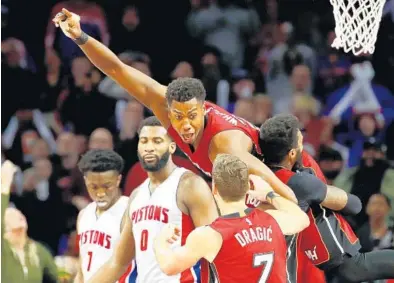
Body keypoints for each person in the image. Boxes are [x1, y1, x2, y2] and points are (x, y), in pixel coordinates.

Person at [52, 8, 300, 204]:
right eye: (177, 116)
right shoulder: (163, 103)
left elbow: (283, 190)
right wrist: (79, 36)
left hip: (290, 174)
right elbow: (117, 68)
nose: (184, 125)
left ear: (203, 110)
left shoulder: (224, 144)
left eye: (191, 116)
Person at [259, 114, 394, 282]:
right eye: (301, 142)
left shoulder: (257, 173)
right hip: (328, 258)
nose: (304, 148)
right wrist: (324, 191)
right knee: (355, 268)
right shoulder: (302, 181)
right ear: (292, 152)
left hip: (283, 252)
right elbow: (354, 205)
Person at [86, 116, 218, 283]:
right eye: (144, 141)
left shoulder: (189, 185)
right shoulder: (136, 196)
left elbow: (216, 251)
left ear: (172, 146)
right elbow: (118, 262)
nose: (149, 148)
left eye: (157, 141)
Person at [154, 154, 309, 283]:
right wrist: (269, 194)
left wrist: (160, 240)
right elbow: (302, 218)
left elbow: (169, 266)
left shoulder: (209, 235)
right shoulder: (273, 220)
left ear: (214, 188)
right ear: (248, 187)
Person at [74, 149, 136, 282]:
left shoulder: (129, 210)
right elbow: (82, 268)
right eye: (94, 187)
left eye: (107, 186)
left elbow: (119, 264)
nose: (100, 193)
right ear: (85, 181)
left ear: (118, 179)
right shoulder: (84, 214)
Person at [1, 160, 59, 283]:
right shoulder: (3, 248)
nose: (19, 214)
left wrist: (69, 270)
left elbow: (58, 275)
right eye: (12, 214)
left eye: (19, 213)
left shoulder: (37, 250)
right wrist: (4, 188)